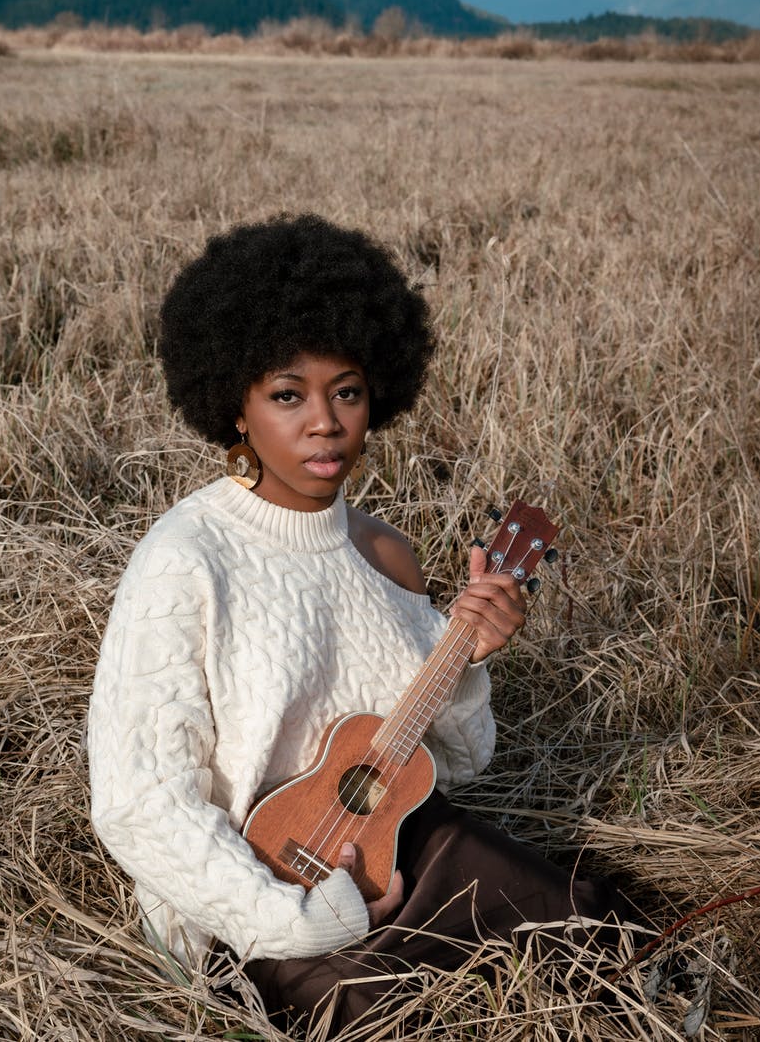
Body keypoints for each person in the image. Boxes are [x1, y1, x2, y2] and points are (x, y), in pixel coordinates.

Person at [88, 215, 625, 1036]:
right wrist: (303, 919)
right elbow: (137, 804)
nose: (324, 422)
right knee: (382, 1020)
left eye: (345, 390)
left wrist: (467, 659)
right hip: (252, 883)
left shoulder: (386, 554)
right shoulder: (184, 560)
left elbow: (456, 764)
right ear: (234, 407)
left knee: (590, 935)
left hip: (393, 846)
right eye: (285, 394)